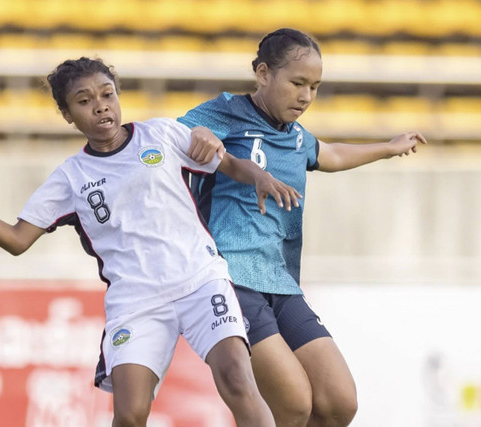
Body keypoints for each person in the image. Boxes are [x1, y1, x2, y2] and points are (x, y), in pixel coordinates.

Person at [0, 57, 303, 426]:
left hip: (200, 280)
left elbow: (228, 164)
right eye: (84, 101)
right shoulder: (70, 178)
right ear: (68, 114)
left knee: (236, 379)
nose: (100, 105)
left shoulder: (162, 135)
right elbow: (17, 239)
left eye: (107, 94)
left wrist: (259, 176)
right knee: (130, 414)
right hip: (136, 302)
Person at [178, 28, 428, 427]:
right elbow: (179, 133)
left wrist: (388, 147)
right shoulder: (227, 111)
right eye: (297, 83)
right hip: (229, 278)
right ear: (262, 74)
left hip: (280, 281)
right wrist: (200, 133)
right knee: (293, 405)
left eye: (314, 86)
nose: (306, 96)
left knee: (338, 403)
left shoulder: (295, 136)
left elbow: (329, 153)